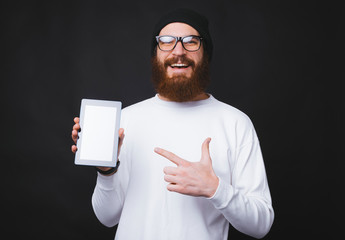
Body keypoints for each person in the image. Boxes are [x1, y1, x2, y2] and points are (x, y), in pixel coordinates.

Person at [71, 8, 274, 240]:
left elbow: (261, 225)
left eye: (191, 42)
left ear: (205, 54)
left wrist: (216, 188)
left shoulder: (236, 123)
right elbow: (106, 218)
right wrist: (106, 171)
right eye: (166, 42)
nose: (179, 51)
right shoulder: (125, 121)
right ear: (156, 55)